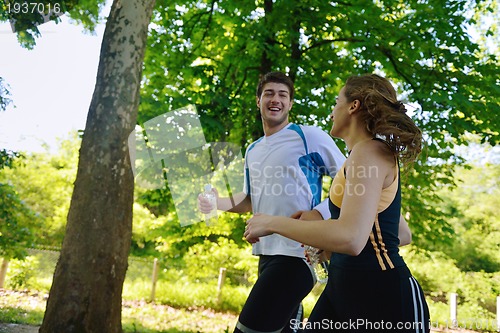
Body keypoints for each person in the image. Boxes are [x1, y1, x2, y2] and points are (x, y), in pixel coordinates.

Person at [244, 74, 430, 332]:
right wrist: (327, 243)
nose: (332, 113)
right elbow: (399, 232)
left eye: (336, 103)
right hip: (342, 289)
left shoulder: (370, 153)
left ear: (353, 106)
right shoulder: (356, 159)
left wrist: (273, 223)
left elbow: (352, 238)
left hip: (382, 295)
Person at [199, 71, 346, 333]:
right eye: (269, 93)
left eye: (282, 94)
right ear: (258, 101)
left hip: (298, 254)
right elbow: (250, 200)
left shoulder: (308, 136)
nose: (275, 99)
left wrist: (319, 212)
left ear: (290, 103)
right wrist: (216, 202)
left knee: (248, 329)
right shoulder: (252, 150)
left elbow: (350, 177)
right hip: (265, 254)